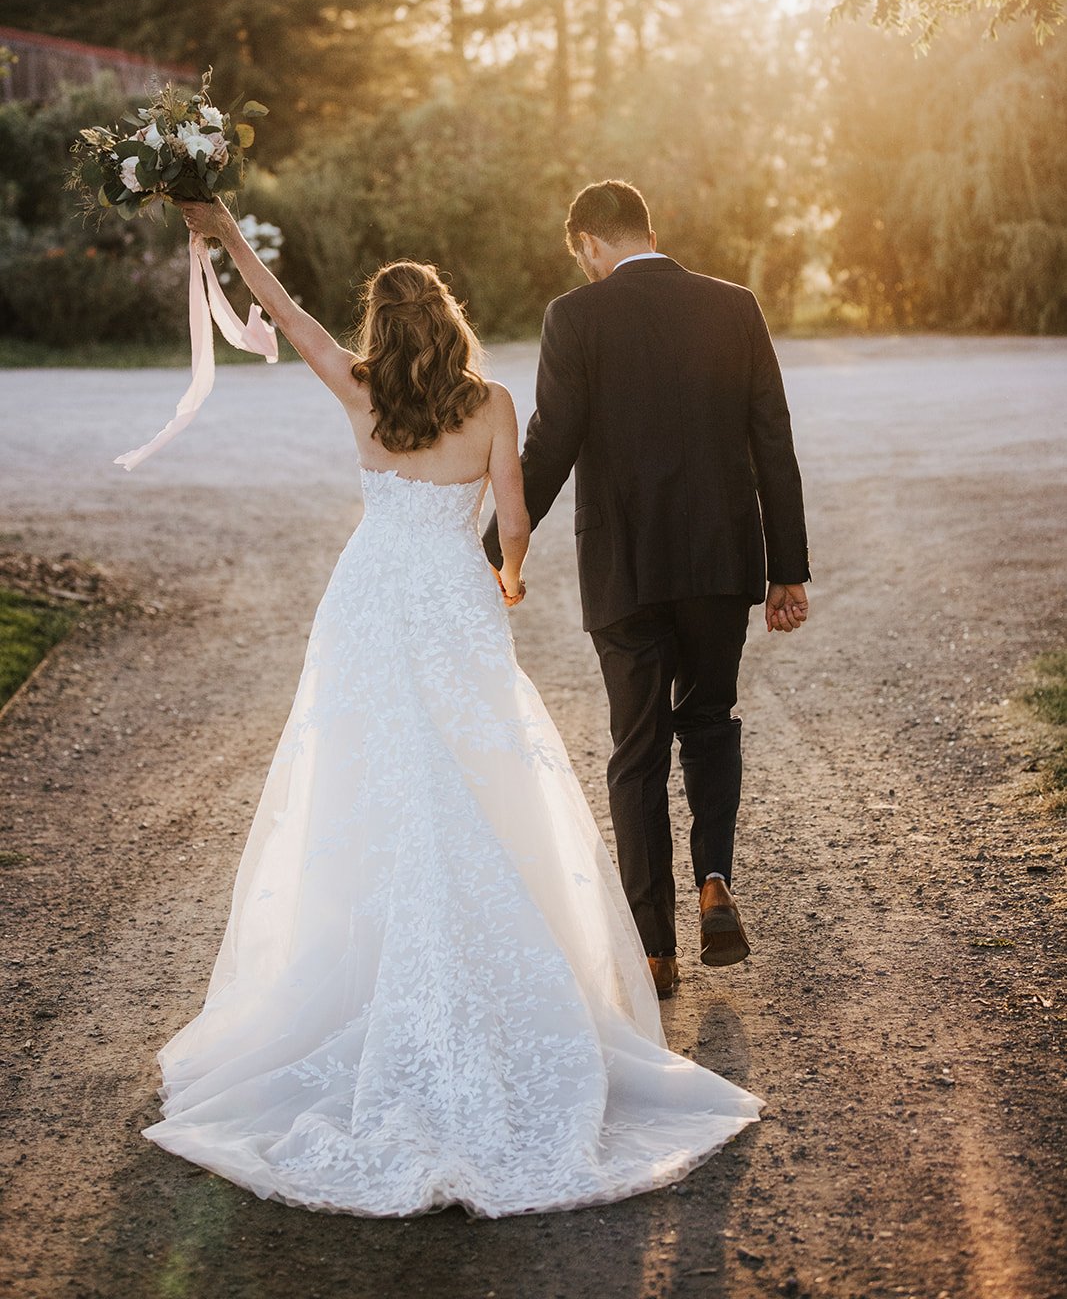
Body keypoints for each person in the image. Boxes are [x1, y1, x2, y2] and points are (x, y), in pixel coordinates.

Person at [141, 195, 762, 1220]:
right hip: (452, 604)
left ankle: (362, 978)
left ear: (381, 331)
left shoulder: (356, 390)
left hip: (369, 603)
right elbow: (514, 519)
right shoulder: (492, 404)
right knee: (480, 782)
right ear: (452, 321)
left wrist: (222, 235)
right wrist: (506, 576)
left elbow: (285, 311)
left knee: (367, 784)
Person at [484, 181, 810, 1001]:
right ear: (648, 231)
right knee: (707, 720)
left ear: (589, 242)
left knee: (635, 752)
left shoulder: (576, 317)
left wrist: (485, 552)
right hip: (717, 564)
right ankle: (711, 879)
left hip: (624, 570)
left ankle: (654, 952)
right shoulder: (733, 306)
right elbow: (772, 438)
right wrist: (786, 569)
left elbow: (549, 445)